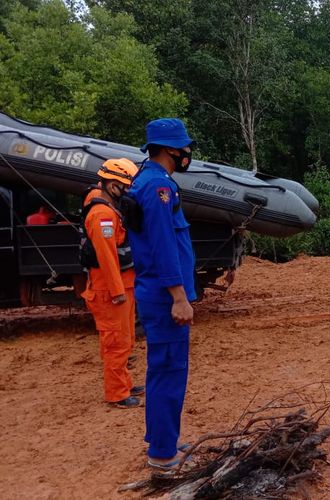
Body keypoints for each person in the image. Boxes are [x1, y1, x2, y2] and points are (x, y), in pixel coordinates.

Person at [127, 118, 197, 470]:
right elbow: (164, 245)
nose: (187, 154)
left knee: (163, 371)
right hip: (163, 294)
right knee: (169, 372)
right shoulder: (158, 188)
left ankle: (163, 441)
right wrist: (179, 296)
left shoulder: (149, 180)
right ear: (171, 149)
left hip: (156, 291)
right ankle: (163, 456)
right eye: (184, 148)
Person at [80, 158, 142, 409]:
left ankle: (124, 383)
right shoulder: (102, 214)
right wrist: (117, 292)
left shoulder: (107, 206)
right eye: (124, 186)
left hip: (121, 285)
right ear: (111, 184)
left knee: (125, 340)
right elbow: (107, 257)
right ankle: (117, 393)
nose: (127, 191)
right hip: (109, 290)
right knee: (116, 341)